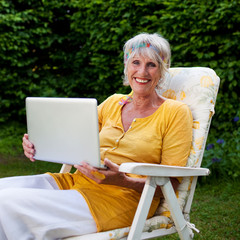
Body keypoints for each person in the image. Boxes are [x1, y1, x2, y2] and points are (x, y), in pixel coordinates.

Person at [0, 33, 193, 240]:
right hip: (75, 182)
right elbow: (72, 138)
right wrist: (38, 143)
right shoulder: (113, 102)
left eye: (151, 65)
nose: (142, 72)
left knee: (7, 202)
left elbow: (171, 183)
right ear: (127, 67)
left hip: (121, 199)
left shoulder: (175, 112)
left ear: (162, 71)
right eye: (135, 62)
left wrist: (124, 180)